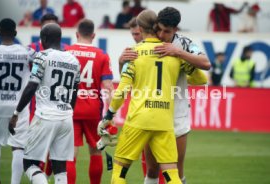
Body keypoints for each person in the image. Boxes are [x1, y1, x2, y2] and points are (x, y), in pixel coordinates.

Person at [119, 7, 210, 184]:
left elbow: (206, 63)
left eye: (166, 31)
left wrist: (178, 52)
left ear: (176, 29)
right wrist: (121, 61)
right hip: (153, 112)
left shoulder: (184, 43)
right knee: (152, 169)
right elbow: (128, 79)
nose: (161, 34)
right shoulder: (146, 45)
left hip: (177, 115)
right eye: (158, 29)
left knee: (176, 169)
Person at [99, 9, 187, 184]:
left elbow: (122, 90)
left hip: (138, 120)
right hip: (164, 121)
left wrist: (109, 115)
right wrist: (181, 56)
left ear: (140, 27)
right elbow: (199, 78)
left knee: (119, 172)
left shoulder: (133, 53)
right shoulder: (173, 52)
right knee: (172, 175)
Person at [8, 23, 80, 184]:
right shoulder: (74, 61)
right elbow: (75, 91)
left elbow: (31, 86)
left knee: (29, 164)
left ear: (44, 39)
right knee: (60, 166)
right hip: (66, 117)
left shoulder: (42, 56)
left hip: (46, 116)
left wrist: (16, 114)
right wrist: (70, 111)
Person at [65, 19, 114, 184]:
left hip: (70, 109)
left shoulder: (67, 52)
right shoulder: (102, 55)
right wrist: (111, 114)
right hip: (93, 110)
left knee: (70, 154)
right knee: (96, 151)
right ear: (93, 35)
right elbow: (107, 86)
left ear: (76, 34)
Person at [0, 18, 36, 184]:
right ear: (15, 33)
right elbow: (40, 64)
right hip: (19, 107)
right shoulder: (26, 52)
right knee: (18, 146)